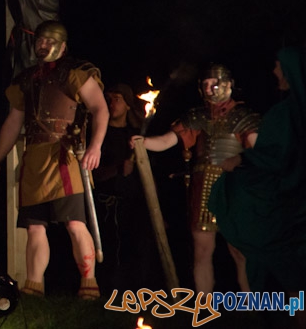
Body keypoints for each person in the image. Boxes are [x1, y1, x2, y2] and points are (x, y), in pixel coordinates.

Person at [0, 21, 108, 299]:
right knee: (34, 227)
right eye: (39, 41)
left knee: (75, 223)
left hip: (65, 156)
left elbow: (100, 109)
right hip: (34, 159)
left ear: (63, 46)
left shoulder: (76, 72)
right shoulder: (27, 79)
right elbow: (13, 122)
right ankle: (34, 286)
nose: (42, 46)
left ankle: (89, 283)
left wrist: (96, 147)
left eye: (49, 41)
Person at [134, 63, 259, 294]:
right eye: (206, 84)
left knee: (240, 252)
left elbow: (257, 152)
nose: (210, 88)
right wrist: (144, 143)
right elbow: (167, 140)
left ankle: (251, 306)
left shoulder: (244, 117)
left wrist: (240, 162)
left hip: (234, 186)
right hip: (204, 188)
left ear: (228, 85)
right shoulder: (197, 117)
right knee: (201, 251)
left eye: (214, 83)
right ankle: (205, 305)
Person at [209, 47, 306, 302]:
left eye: (278, 67)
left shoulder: (288, 113)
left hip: (291, 204)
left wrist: (242, 159)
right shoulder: (287, 111)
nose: (274, 71)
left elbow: (278, 155)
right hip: (290, 199)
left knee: (294, 274)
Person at [92, 83, 155, 292]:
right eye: (109, 99)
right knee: (108, 250)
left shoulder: (135, 136)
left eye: (117, 98)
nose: (112, 103)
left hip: (134, 205)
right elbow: (92, 173)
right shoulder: (99, 136)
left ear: (128, 104)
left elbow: (150, 173)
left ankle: (136, 291)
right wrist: (118, 168)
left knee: (137, 249)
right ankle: (107, 291)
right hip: (106, 206)